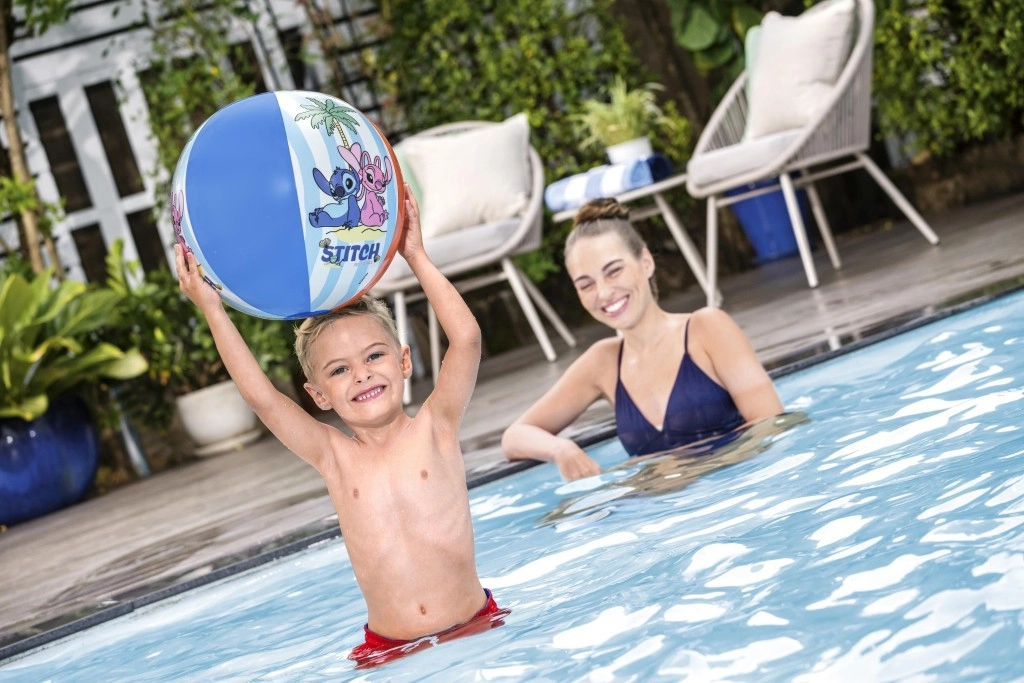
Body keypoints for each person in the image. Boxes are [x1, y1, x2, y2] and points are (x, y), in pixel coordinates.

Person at [175, 186, 506, 669]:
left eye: (374, 356)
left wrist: (415, 255)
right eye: (339, 370)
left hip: (473, 624)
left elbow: (467, 339)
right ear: (319, 396)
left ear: (404, 361)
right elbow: (263, 399)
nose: (362, 375)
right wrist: (212, 309)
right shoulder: (333, 455)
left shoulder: (436, 426)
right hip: (390, 651)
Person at [502, 197, 784, 481]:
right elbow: (514, 437)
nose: (604, 293)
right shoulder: (603, 362)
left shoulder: (707, 328)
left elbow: (772, 423)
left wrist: (684, 470)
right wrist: (561, 449)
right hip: (659, 505)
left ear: (646, 262)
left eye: (614, 271)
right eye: (586, 285)